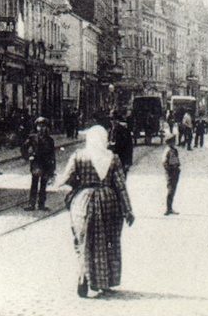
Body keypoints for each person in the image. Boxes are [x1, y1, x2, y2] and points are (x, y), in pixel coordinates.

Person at [58, 125, 135, 298]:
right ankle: (105, 280)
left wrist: (79, 183)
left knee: (84, 241)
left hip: (83, 202)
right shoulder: (113, 158)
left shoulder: (79, 156)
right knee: (108, 242)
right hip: (110, 202)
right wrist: (128, 210)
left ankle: (84, 275)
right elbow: (121, 186)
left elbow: (67, 178)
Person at [21, 116, 56, 211]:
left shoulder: (50, 140)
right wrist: (28, 156)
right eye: (39, 126)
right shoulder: (32, 137)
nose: (41, 128)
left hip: (46, 164)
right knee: (34, 184)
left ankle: (41, 204)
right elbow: (24, 147)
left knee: (43, 185)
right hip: (36, 163)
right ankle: (31, 204)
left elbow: (52, 154)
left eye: (43, 126)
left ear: (46, 127)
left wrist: (53, 168)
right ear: (36, 127)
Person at [163, 132, 181, 215]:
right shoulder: (168, 151)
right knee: (171, 190)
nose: (174, 142)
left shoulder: (174, 150)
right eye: (173, 141)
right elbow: (164, 162)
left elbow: (177, 159)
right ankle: (168, 208)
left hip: (175, 171)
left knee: (173, 190)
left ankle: (170, 208)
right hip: (171, 172)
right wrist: (169, 170)